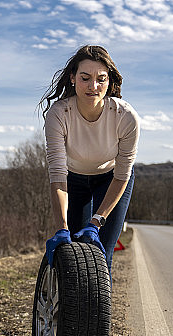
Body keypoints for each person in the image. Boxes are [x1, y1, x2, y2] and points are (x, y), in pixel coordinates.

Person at [40, 45, 140, 276]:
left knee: (101, 254)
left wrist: (96, 222)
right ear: (73, 78)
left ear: (109, 81)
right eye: (85, 78)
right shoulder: (59, 114)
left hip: (112, 180)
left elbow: (122, 175)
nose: (93, 86)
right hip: (72, 180)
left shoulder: (126, 117)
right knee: (72, 251)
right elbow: (58, 175)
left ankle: (100, 301)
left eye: (100, 79)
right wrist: (61, 227)